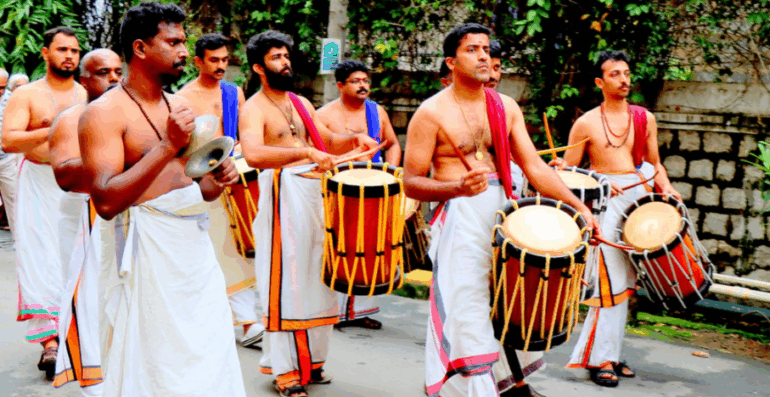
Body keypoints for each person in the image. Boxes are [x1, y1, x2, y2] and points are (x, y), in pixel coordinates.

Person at [403, 23, 601, 397]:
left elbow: (536, 167)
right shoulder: (430, 114)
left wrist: (578, 208)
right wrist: (454, 187)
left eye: (485, 50)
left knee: (508, 303)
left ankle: (499, 384)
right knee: (468, 309)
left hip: (503, 214)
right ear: (451, 61)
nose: (483, 56)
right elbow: (411, 181)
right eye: (472, 50)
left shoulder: (504, 106)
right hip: (459, 215)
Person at [77, 3, 246, 395]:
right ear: (140, 48)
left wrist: (221, 177)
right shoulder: (102, 115)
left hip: (194, 254)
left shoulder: (181, 108)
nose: (184, 51)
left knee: (205, 349)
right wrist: (168, 145)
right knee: (152, 356)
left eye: (183, 41)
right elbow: (105, 202)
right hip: (143, 253)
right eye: (173, 42)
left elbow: (200, 190)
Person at [239, 30, 378, 397]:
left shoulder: (299, 101)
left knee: (318, 276)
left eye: (286, 55)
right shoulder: (253, 107)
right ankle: (285, 371)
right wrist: (305, 155)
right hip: (283, 192)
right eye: (275, 57)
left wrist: (354, 140)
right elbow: (253, 154)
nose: (285, 62)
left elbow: (325, 139)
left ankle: (312, 363)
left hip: (314, 191)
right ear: (258, 67)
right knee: (287, 282)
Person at [552, 50, 680, 387]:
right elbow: (571, 171)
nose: (624, 80)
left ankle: (610, 352)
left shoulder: (644, 118)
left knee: (625, 285)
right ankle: (600, 360)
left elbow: (654, 164)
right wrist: (560, 171)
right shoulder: (586, 123)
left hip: (639, 203)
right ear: (600, 82)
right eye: (615, 74)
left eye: (626, 73)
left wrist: (666, 189)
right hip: (604, 204)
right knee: (607, 281)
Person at [2, 26, 87, 379]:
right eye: (62, 49)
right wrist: (55, 129)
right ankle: (49, 342)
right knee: (39, 257)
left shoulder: (84, 92)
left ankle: (76, 334)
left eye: (75, 51)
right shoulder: (28, 95)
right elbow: (8, 141)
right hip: (37, 180)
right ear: (45, 53)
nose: (69, 56)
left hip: (74, 184)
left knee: (74, 257)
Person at [176, 32, 265, 348]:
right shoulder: (183, 98)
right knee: (220, 251)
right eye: (213, 60)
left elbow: (241, 133)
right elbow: (183, 148)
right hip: (203, 183)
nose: (220, 66)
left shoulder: (234, 91)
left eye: (225, 60)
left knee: (239, 248)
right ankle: (246, 321)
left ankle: (239, 318)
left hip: (236, 179)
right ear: (198, 61)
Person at [48, 48, 122, 394]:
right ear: (84, 79)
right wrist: (117, 160)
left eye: (117, 71)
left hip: (123, 215)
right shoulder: (70, 118)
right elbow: (65, 176)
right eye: (104, 72)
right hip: (81, 215)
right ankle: (94, 380)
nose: (113, 78)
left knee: (122, 297)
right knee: (86, 295)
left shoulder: (128, 115)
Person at [317, 60, 401, 331]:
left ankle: (360, 310)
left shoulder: (377, 111)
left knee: (369, 245)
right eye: (355, 81)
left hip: (375, 190)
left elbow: (394, 144)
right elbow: (317, 152)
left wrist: (392, 172)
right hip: (339, 191)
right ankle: (333, 312)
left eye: (365, 80)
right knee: (340, 245)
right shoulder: (324, 114)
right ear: (340, 85)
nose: (363, 85)